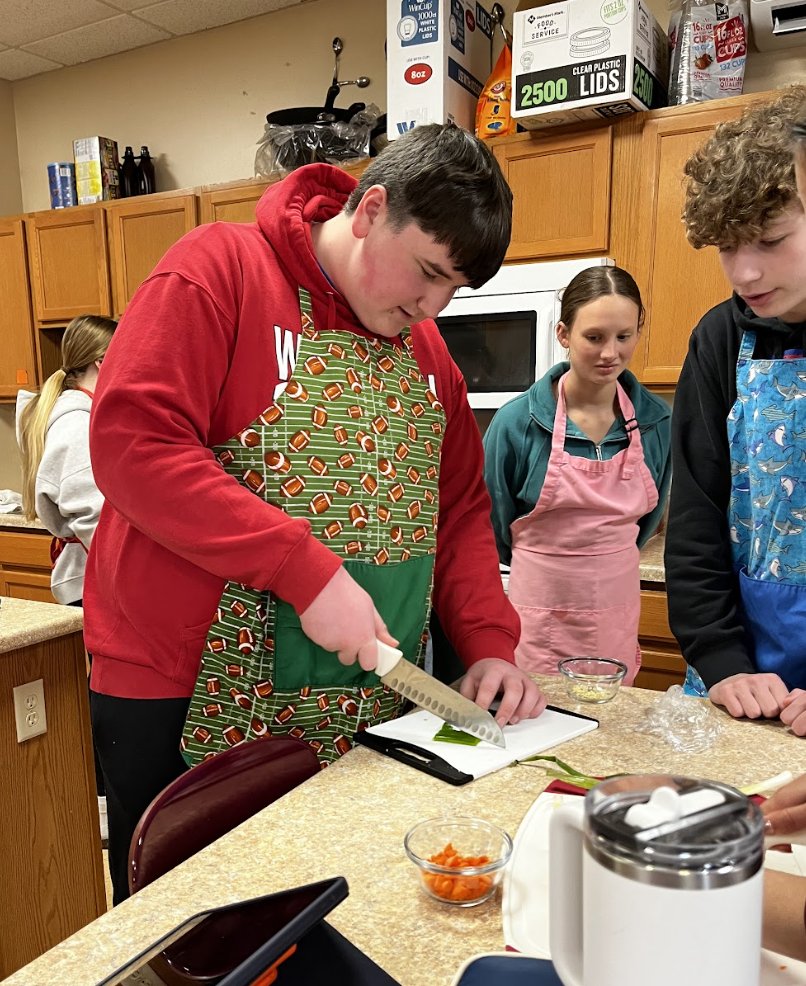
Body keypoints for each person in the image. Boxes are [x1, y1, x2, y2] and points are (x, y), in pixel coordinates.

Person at [84, 124, 548, 904]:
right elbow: (136, 443)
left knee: (333, 913)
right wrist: (303, 570)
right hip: (182, 687)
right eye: (428, 273)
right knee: (195, 923)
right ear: (370, 211)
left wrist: (489, 643)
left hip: (363, 694)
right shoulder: (218, 270)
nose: (432, 305)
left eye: (453, 291)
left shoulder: (426, 351)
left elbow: (459, 510)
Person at [664, 85, 806, 724]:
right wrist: (721, 659)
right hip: (737, 686)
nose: (744, 274)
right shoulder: (721, 338)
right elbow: (696, 516)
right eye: (727, 247)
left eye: (771, 240)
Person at [482, 266, 671, 681]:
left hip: (616, 608)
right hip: (538, 610)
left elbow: (647, 524)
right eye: (594, 337)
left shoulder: (658, 422)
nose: (610, 353)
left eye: (624, 336)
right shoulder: (517, 423)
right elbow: (493, 524)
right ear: (564, 334)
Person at [16, 313, 117, 842]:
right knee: (104, 693)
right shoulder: (77, 425)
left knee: (99, 687)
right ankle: (101, 803)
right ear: (104, 362)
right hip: (95, 578)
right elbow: (99, 517)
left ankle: (102, 796)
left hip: (88, 575)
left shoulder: (79, 413)